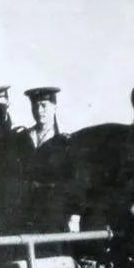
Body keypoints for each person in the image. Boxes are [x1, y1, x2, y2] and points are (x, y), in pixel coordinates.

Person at [12, 87, 83, 238]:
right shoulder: (22, 139)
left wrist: (74, 215)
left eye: (44, 106)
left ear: (54, 107)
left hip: (55, 210)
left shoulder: (65, 140)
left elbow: (75, 179)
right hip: (27, 210)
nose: (39, 111)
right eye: (35, 106)